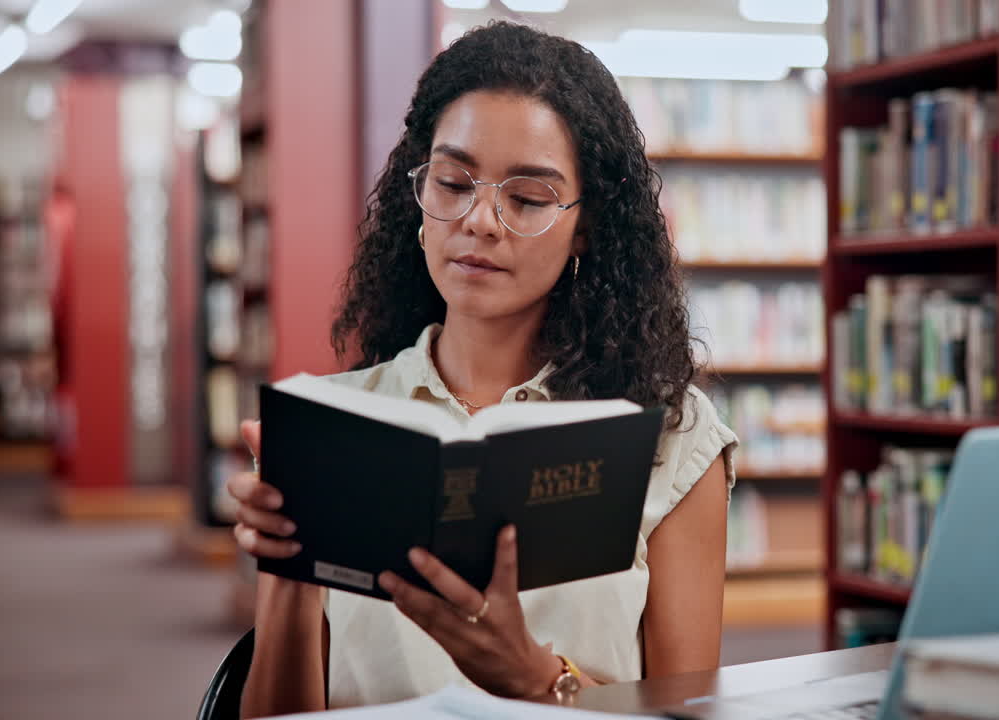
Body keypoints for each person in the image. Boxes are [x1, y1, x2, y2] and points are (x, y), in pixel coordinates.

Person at [227, 21, 737, 717]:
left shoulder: (671, 440)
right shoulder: (330, 423)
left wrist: (535, 677)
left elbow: (688, 713)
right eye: (454, 182)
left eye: (526, 198)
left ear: (587, 226)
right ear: (420, 196)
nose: (481, 220)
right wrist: (287, 572)